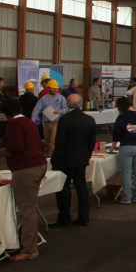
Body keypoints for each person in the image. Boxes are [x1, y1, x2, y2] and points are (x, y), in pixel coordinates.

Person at [0, 98, 46, 261]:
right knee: (29, 207)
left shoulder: (13, 124)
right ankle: (28, 243)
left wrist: (2, 152)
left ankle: (29, 249)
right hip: (38, 165)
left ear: (5, 113)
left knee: (26, 210)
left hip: (26, 168)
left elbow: (17, 147)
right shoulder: (28, 122)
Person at [50, 94, 97, 227]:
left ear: (67, 104)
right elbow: (91, 142)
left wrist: (55, 160)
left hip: (66, 159)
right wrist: (87, 155)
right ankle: (84, 217)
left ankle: (64, 218)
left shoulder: (64, 120)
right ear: (81, 104)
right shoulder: (89, 119)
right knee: (81, 187)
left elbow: (60, 143)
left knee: (63, 189)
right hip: (82, 158)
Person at [112, 97, 136, 204]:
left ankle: (127, 198)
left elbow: (116, 131)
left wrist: (113, 146)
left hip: (126, 147)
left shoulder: (122, 116)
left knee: (126, 173)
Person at [31, 79, 67, 155]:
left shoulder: (61, 98)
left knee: (53, 141)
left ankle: (51, 158)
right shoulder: (43, 99)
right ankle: (50, 156)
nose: (55, 90)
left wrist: (60, 111)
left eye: (56, 88)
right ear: (48, 88)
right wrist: (33, 118)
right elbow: (37, 109)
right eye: (53, 88)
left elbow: (66, 109)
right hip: (46, 122)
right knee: (47, 141)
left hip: (57, 122)